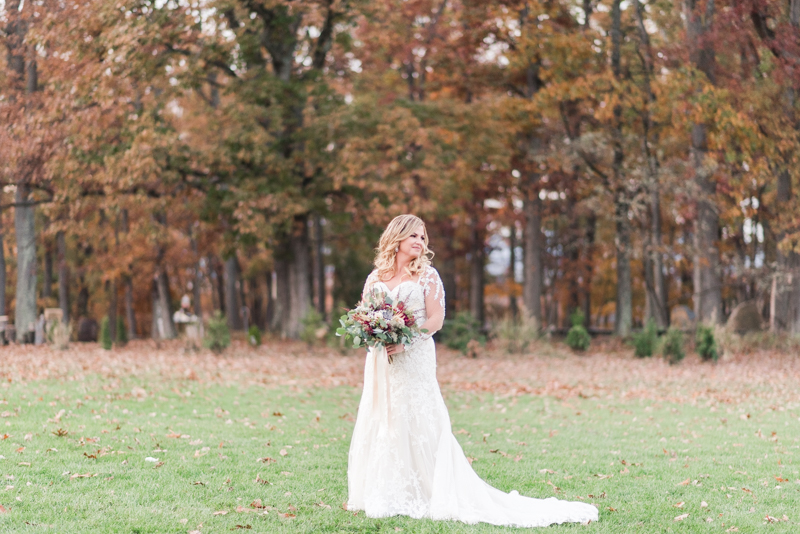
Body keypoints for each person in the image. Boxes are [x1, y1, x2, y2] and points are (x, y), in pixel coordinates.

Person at [347, 214, 598, 527]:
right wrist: (376, 336)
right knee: (384, 415)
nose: (420, 243)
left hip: (415, 356)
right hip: (382, 360)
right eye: (414, 236)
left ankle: (428, 489)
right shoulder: (376, 277)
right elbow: (366, 316)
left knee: (417, 414)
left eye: (423, 238)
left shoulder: (427, 275)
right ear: (396, 237)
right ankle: (386, 491)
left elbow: (436, 319)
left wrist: (406, 341)